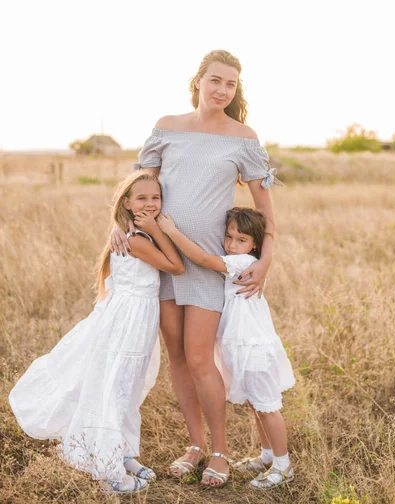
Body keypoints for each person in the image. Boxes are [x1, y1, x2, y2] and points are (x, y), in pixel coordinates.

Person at [111, 49, 281, 487]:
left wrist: (265, 261)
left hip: (207, 264)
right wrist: (119, 227)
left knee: (203, 359)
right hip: (161, 259)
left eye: (230, 84)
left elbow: (265, 210)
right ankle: (194, 445)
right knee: (179, 358)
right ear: (198, 81)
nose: (222, 90)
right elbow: (138, 189)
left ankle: (220, 451)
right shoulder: (167, 127)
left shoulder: (243, 137)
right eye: (216, 81)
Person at [9, 173, 184, 494]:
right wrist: (160, 229)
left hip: (139, 319)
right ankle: (108, 471)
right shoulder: (136, 240)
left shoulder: (132, 233)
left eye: (155, 198)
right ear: (127, 204)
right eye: (141, 198)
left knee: (130, 387)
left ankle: (125, 451)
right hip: (127, 321)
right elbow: (176, 266)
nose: (150, 203)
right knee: (115, 388)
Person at [157, 206, 295, 489]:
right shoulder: (243, 259)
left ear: (254, 244)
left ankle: (283, 466)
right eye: (229, 237)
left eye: (240, 239)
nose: (232, 245)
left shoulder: (243, 262)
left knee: (267, 407)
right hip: (241, 344)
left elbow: (203, 258)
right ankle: (267, 455)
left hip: (252, 346)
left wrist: (172, 231)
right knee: (255, 405)